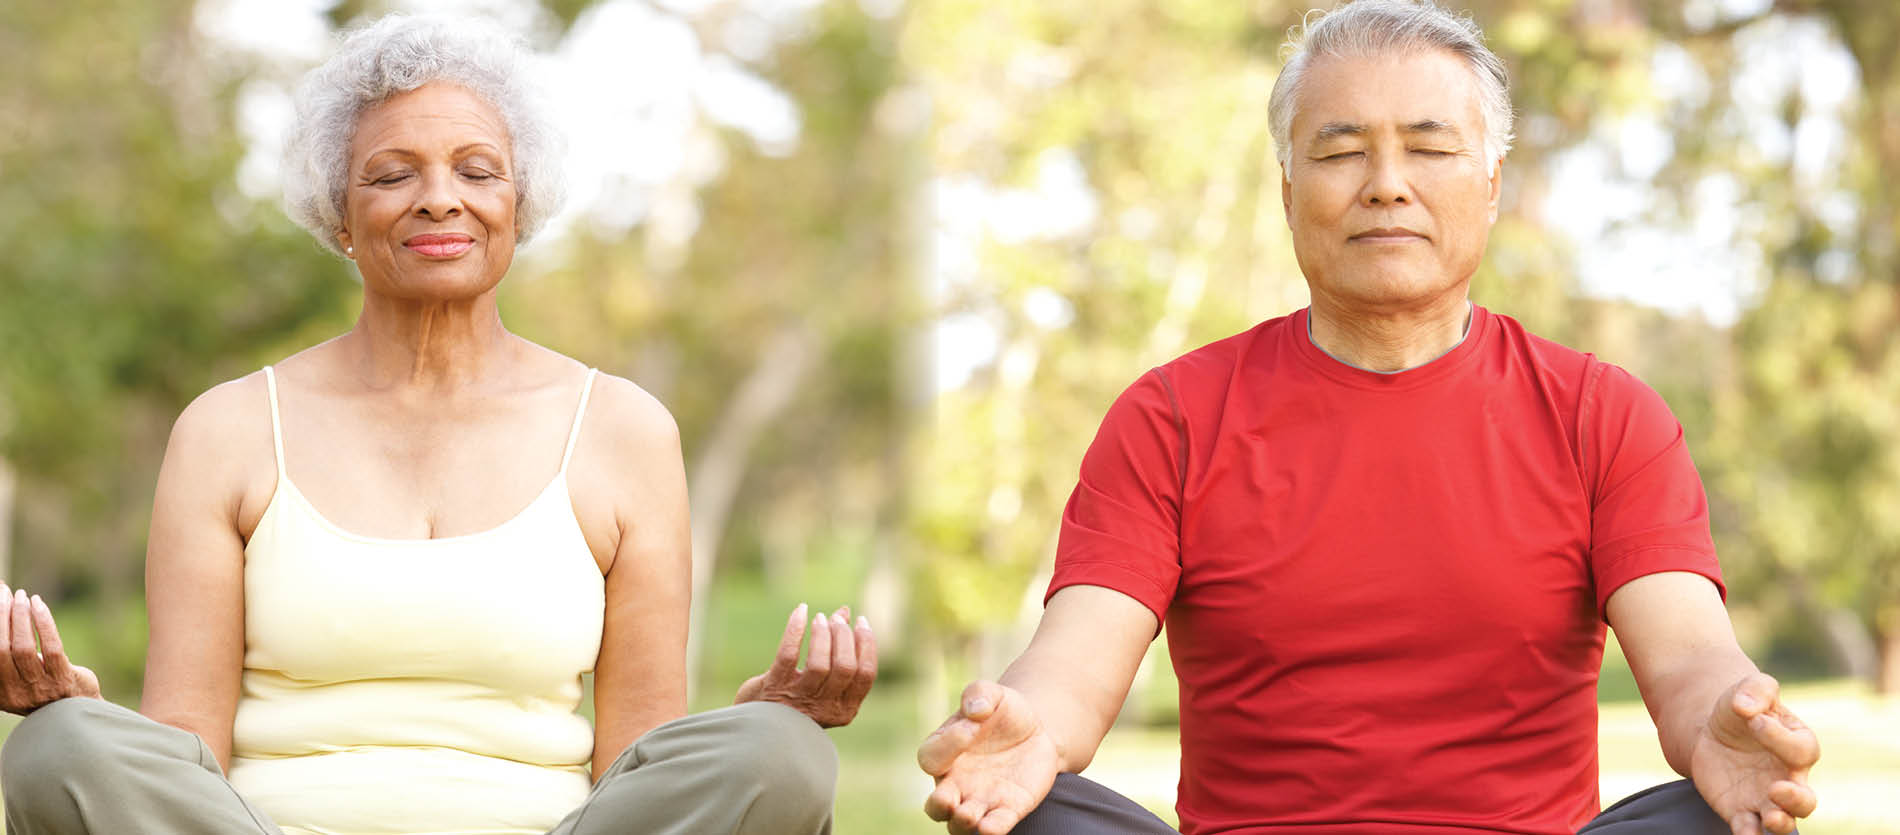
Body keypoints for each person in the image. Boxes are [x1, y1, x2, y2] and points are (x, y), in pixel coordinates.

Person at [916, 2, 1820, 834]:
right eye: (1342, 151)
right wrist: (1026, 729)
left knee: (1711, 811)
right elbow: (1074, 662)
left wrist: (1730, 715)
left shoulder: (1603, 414)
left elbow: (1690, 655)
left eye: (1429, 148)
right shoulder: (1173, 416)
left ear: (1492, 184)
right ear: (1286, 189)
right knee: (1031, 809)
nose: (1386, 184)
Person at [0, 14, 875, 835]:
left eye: (477, 170)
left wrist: (751, 726)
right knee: (57, 746)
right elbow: (185, 753)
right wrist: (86, 721)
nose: (439, 199)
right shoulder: (227, 427)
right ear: (337, 214)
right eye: (392, 174)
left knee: (781, 753)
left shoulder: (624, 430)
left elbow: (633, 772)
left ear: (519, 205)